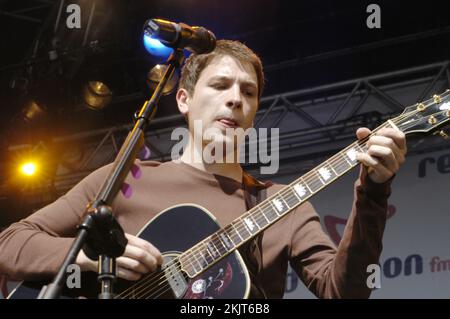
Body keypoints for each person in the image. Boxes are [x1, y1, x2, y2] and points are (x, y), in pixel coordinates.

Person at [0, 40, 407, 299]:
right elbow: (10, 242)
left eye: (248, 92)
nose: (235, 100)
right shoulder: (125, 180)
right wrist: (91, 260)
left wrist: (373, 191)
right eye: (220, 86)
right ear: (183, 99)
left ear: (254, 112)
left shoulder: (283, 204)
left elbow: (345, 292)